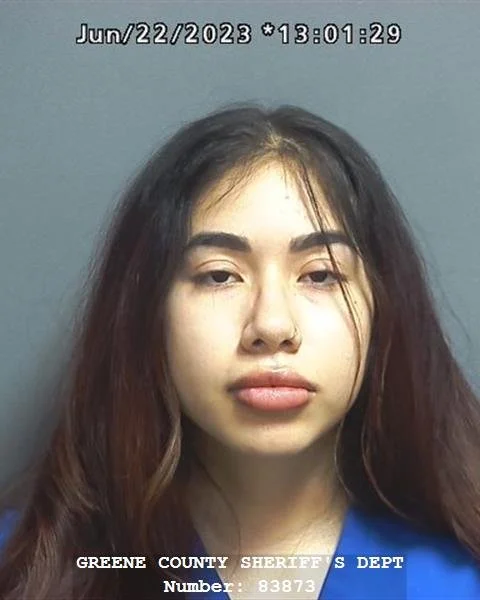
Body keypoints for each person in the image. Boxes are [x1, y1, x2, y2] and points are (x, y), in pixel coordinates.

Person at [0, 103, 479, 600]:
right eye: (219, 275)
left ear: (383, 307)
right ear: (147, 312)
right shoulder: (26, 573)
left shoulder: (459, 577)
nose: (272, 326)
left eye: (320, 274)